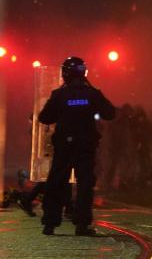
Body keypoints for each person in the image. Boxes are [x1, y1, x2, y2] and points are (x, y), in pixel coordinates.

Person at [38, 56, 116, 236]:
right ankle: (81, 224)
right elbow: (110, 113)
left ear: (65, 74)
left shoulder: (59, 95)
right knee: (85, 184)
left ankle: (50, 223)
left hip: (64, 145)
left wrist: (62, 114)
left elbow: (44, 117)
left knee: (56, 182)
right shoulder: (93, 94)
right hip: (85, 145)